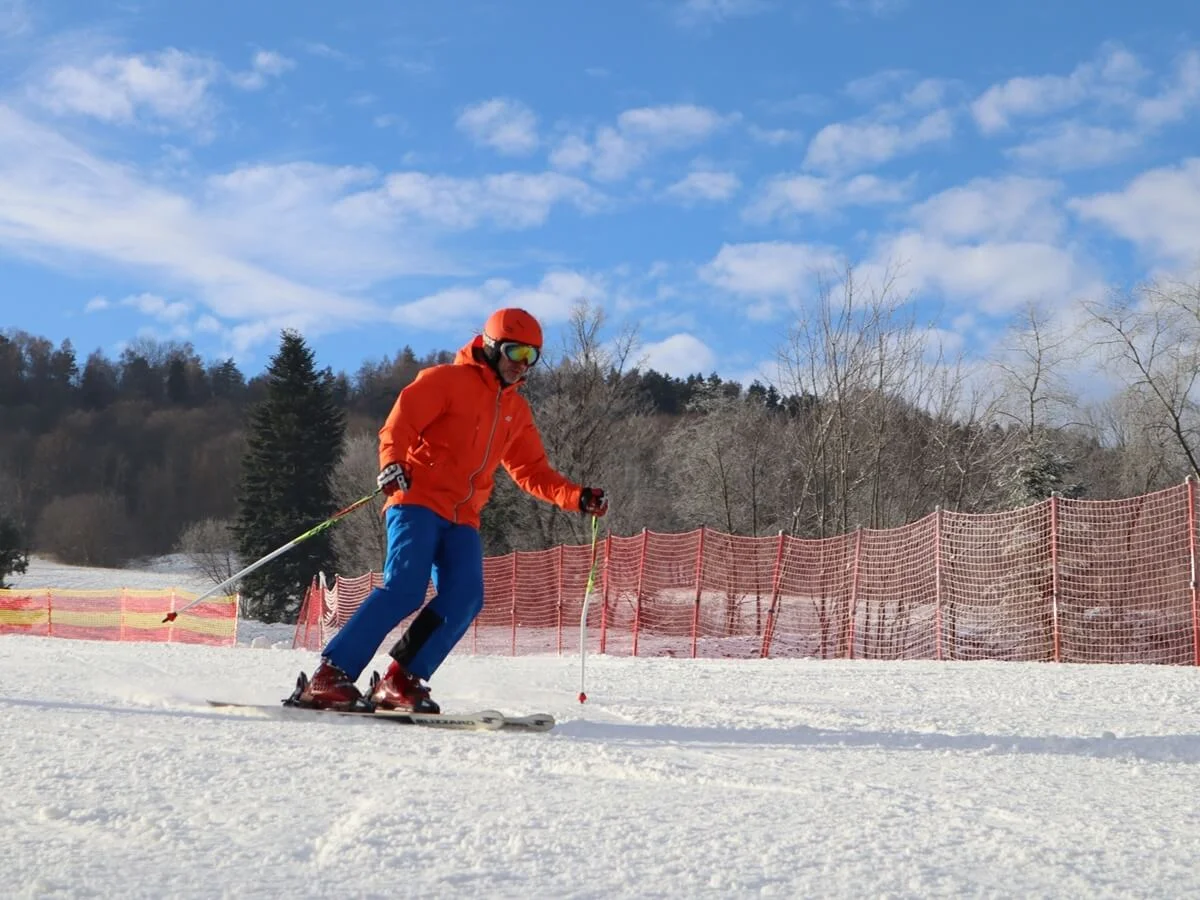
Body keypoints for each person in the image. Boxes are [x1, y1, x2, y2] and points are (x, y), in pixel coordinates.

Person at [296, 307, 608, 712]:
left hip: (463, 517)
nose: (521, 365)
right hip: (417, 501)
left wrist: (577, 497)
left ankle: (399, 681)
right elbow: (400, 424)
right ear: (492, 346)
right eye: (515, 352)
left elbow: (531, 470)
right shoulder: (446, 381)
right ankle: (329, 675)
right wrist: (392, 463)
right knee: (405, 587)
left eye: (532, 356)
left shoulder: (516, 411)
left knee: (465, 596)